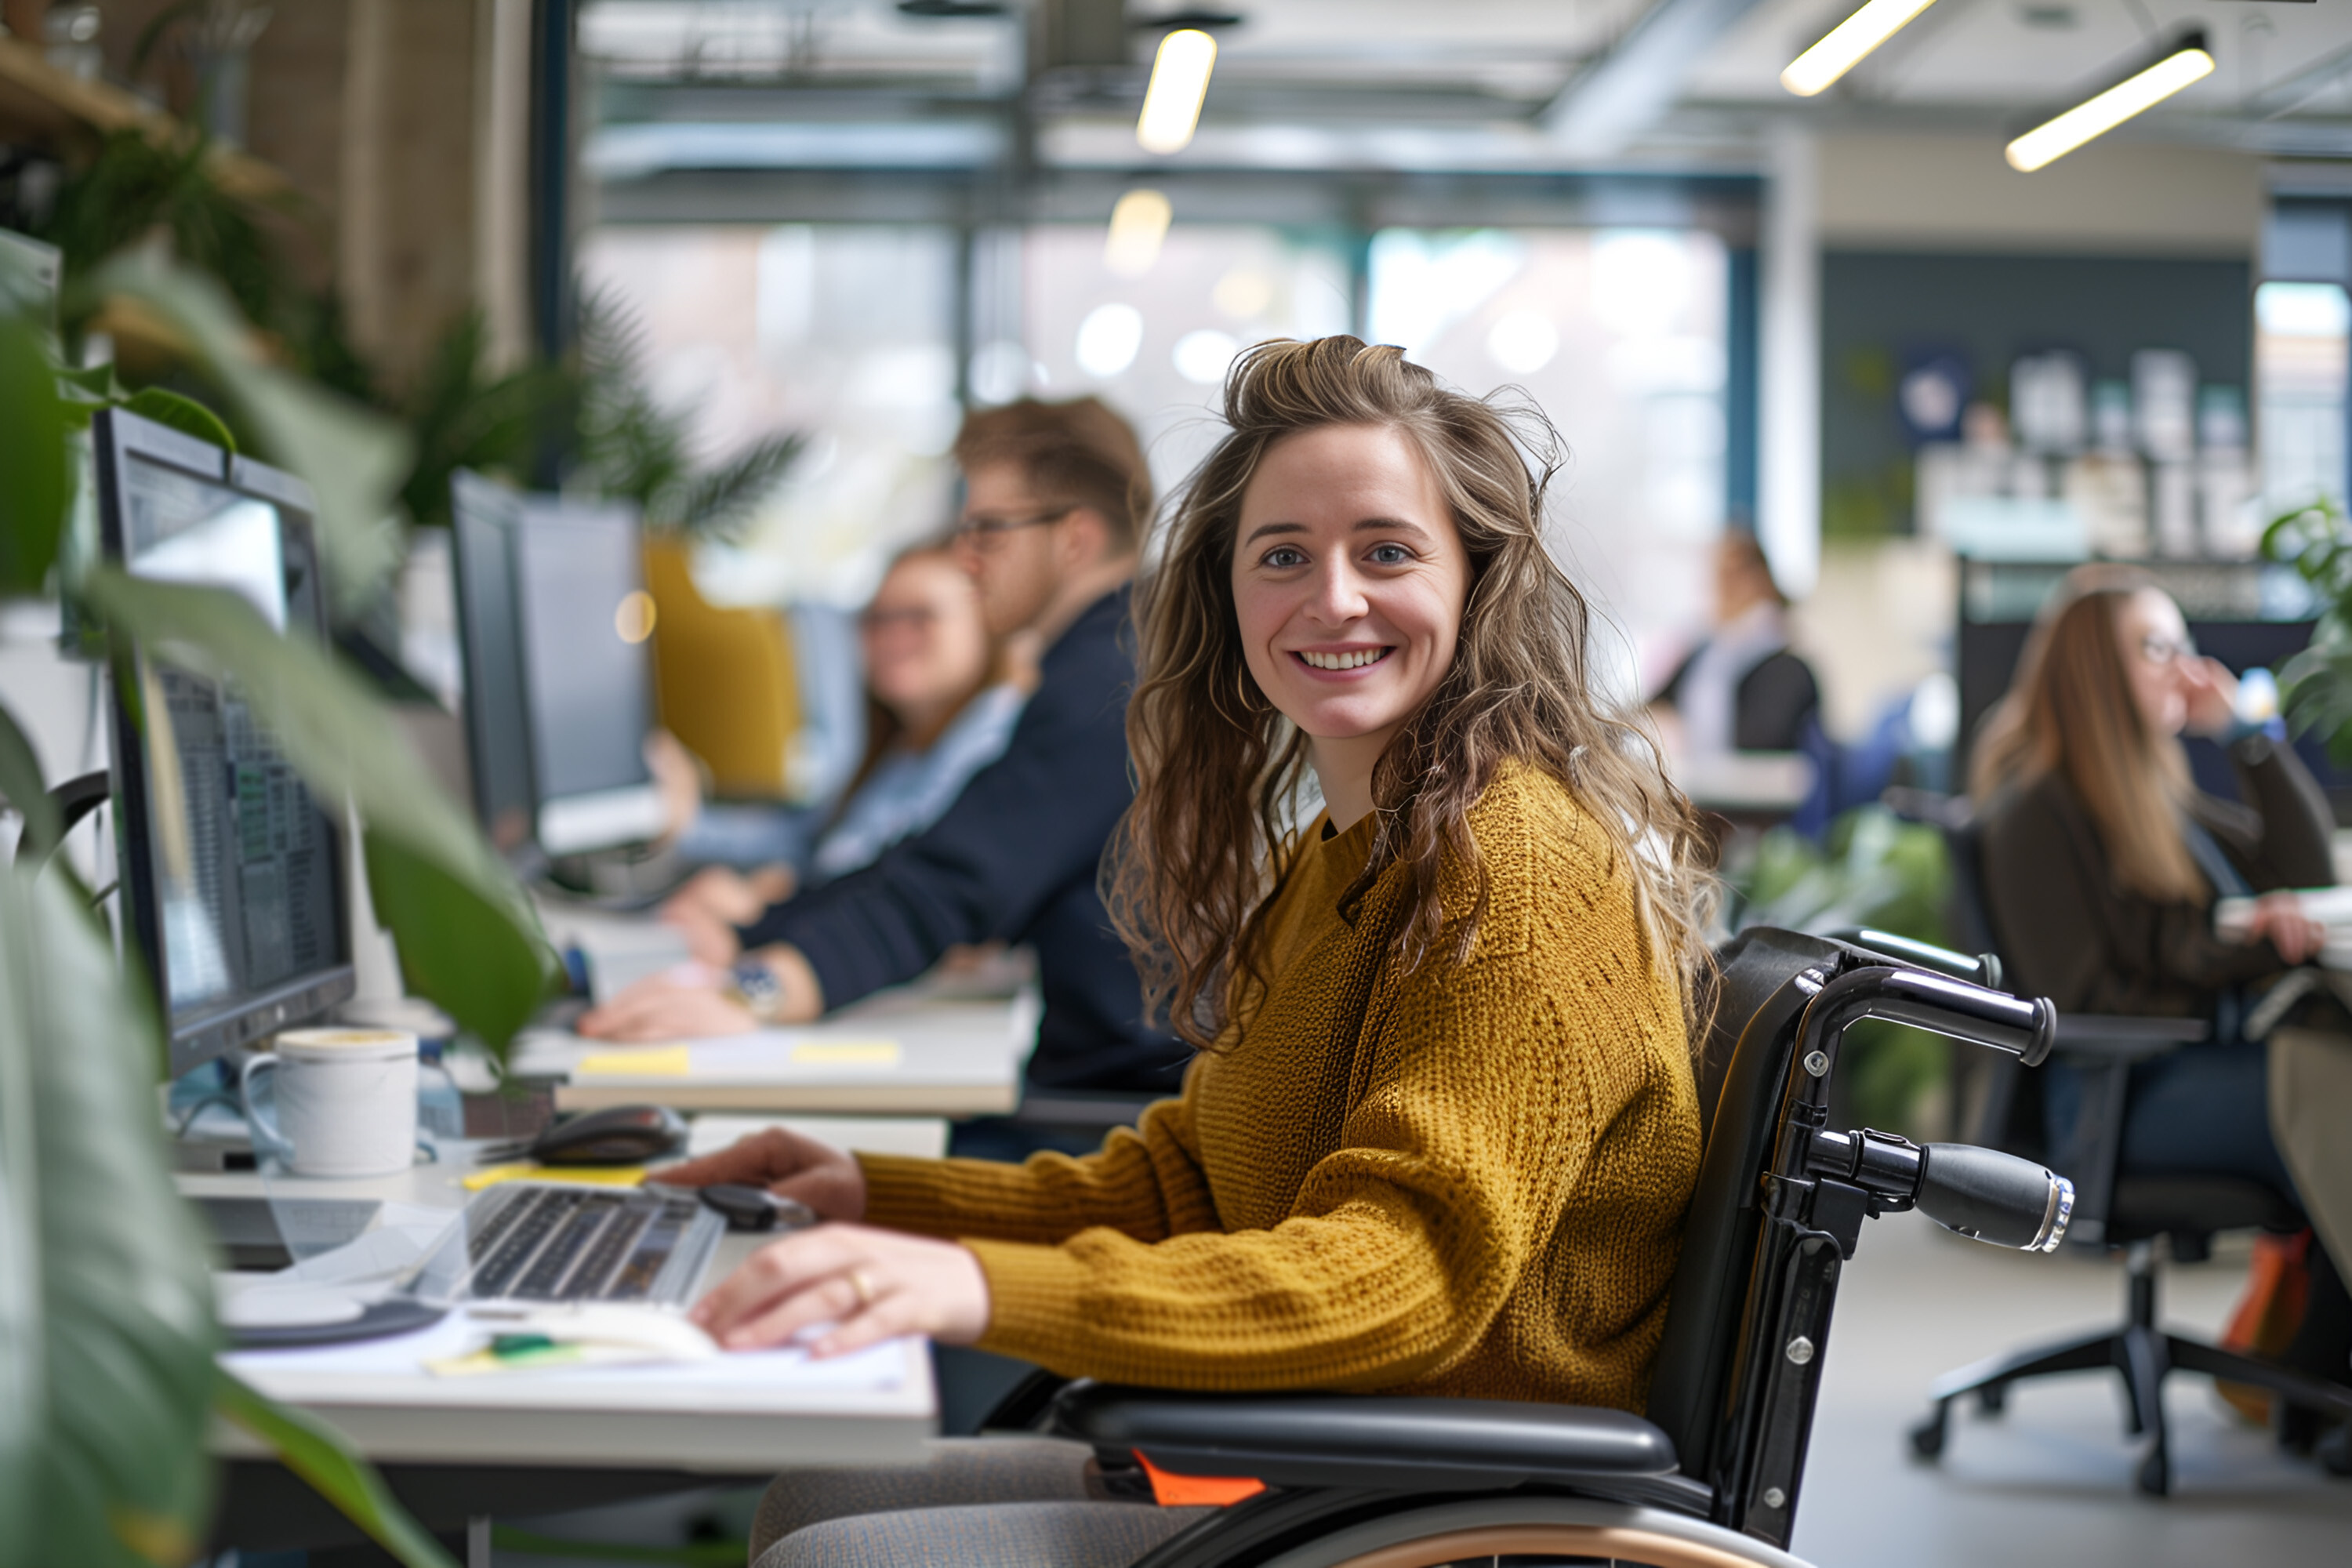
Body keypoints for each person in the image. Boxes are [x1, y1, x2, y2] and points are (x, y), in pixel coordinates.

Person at [655, 336, 1718, 1567]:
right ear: (1228, 595)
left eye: (1386, 550)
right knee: (813, 1500)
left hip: (1455, 1510)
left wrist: (976, 1293)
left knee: (836, 1555)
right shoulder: (1343, 848)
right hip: (1340, 1458)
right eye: (1283, 557)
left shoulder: (1515, 868)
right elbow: (1186, 1188)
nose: (1332, 598)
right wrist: (870, 1192)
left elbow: (1404, 1277)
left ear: (1477, 579)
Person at [579, 397, 1189, 1105]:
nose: (967, 559)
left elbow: (950, 886)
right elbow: (929, 857)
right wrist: (755, 933)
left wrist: (751, 993)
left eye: (988, 531)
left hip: (1110, 1116)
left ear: (1074, 540)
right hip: (1106, 1093)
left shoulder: (1110, 686)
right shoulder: (1116, 661)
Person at [1972, 563, 2350, 1410]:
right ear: (2093, 671)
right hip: (2119, 1094)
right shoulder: (2039, 807)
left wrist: (2244, 733)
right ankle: (2316, 1377)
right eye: (2155, 647)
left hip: (2184, 1068)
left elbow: (2308, 870)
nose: (2184, 667)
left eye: (2185, 644)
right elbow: (2084, 996)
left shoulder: (2151, 789)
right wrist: (2240, 949)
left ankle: (2314, 1378)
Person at [661, 543, 1032, 957]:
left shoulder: (996, 736)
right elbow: (810, 842)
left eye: (919, 617)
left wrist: (765, 915)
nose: (892, 636)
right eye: (877, 619)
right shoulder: (900, 747)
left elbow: (916, 888)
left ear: (988, 623)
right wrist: (689, 823)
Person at [1651, 531, 1820, 755]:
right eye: (1719, 575)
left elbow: (1764, 742)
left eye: (1736, 575)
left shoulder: (1788, 669)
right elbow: (1644, 712)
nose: (1725, 588)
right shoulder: (1701, 654)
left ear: (1763, 581)